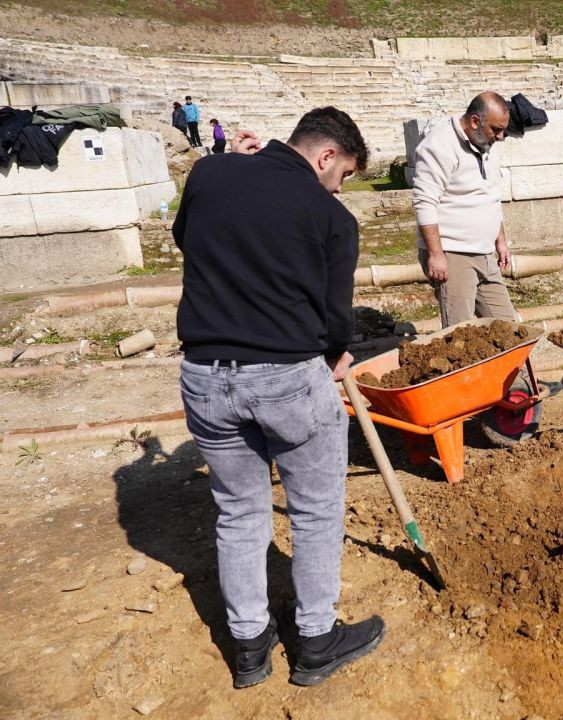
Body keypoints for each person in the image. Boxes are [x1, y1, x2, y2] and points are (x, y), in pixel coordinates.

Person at [174, 107, 384, 689]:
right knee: (315, 511)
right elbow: (337, 319)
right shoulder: (331, 217)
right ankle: (316, 640)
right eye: (342, 174)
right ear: (326, 157)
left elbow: (187, 237)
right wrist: (338, 353)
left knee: (238, 512)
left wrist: (231, 169)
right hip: (288, 375)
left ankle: (249, 647)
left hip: (205, 375)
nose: (340, 187)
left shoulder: (210, 172)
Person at [412, 91, 515, 328]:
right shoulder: (438, 146)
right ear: (475, 121)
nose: (501, 137)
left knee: (508, 329)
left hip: (484, 253)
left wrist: (500, 241)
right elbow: (425, 202)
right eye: (496, 129)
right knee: (460, 333)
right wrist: (436, 254)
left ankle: (508, 366)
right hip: (453, 253)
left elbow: (489, 195)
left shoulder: (485, 142)